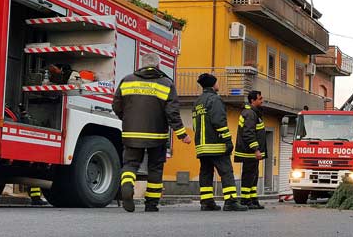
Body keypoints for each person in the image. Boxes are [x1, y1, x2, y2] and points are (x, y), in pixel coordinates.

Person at [112, 52, 191, 213]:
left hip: (131, 133)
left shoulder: (127, 80)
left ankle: (127, 185)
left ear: (142, 64)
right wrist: (182, 134)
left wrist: (127, 119)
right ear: (158, 65)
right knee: (155, 168)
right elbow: (172, 113)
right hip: (157, 135)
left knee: (130, 164)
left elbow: (116, 105)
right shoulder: (166, 83)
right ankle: (151, 204)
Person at [192, 73, 248, 212]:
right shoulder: (215, 99)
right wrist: (227, 140)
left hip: (202, 146)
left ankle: (207, 202)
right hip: (216, 144)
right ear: (213, 84)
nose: (218, 84)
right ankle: (230, 201)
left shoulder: (197, 102)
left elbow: (195, 125)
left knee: (206, 173)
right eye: (216, 82)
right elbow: (219, 121)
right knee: (226, 172)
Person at [234, 90, 266, 210]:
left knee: (253, 176)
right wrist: (256, 149)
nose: (262, 101)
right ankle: (245, 200)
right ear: (253, 100)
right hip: (249, 153)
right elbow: (248, 133)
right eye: (260, 99)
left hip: (251, 153)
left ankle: (252, 200)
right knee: (249, 176)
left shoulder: (253, 113)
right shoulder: (250, 114)